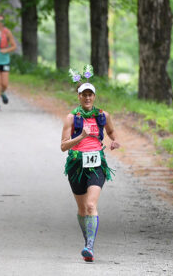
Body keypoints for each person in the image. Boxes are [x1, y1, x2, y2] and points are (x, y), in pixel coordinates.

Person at [59, 81, 120, 262]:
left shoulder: (103, 115)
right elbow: (63, 146)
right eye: (84, 95)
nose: (87, 98)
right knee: (82, 209)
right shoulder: (71, 118)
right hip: (76, 165)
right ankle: (88, 242)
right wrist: (81, 136)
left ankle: (90, 247)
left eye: (90, 94)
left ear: (94, 96)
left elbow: (111, 131)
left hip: (96, 164)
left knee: (91, 205)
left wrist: (114, 140)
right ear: (79, 96)